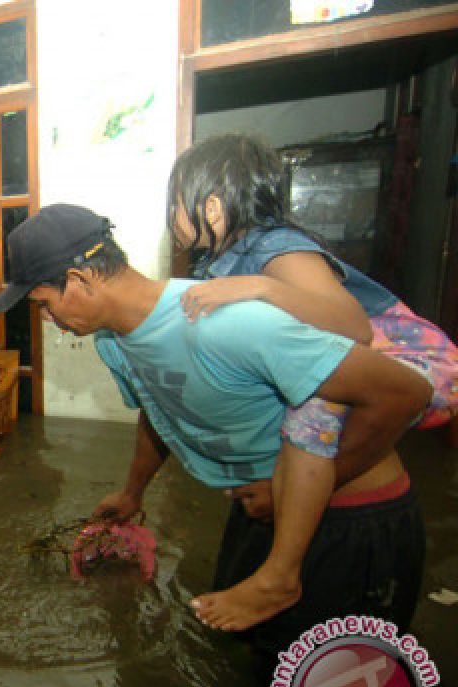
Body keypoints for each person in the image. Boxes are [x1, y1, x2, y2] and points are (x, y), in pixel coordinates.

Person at [0, 203, 431, 662]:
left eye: (43, 303)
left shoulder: (225, 324)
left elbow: (403, 395)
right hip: (259, 503)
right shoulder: (114, 342)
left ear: (79, 281)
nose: (45, 318)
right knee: (250, 666)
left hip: (350, 519)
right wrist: (133, 492)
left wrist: (288, 493)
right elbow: (158, 407)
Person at [166, 133, 458, 630]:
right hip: (374, 356)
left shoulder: (276, 248)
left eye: (174, 204)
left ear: (211, 207)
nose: (171, 218)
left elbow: (353, 326)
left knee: (314, 401)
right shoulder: (219, 263)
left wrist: (262, 287)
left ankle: (281, 575)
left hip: (415, 356)